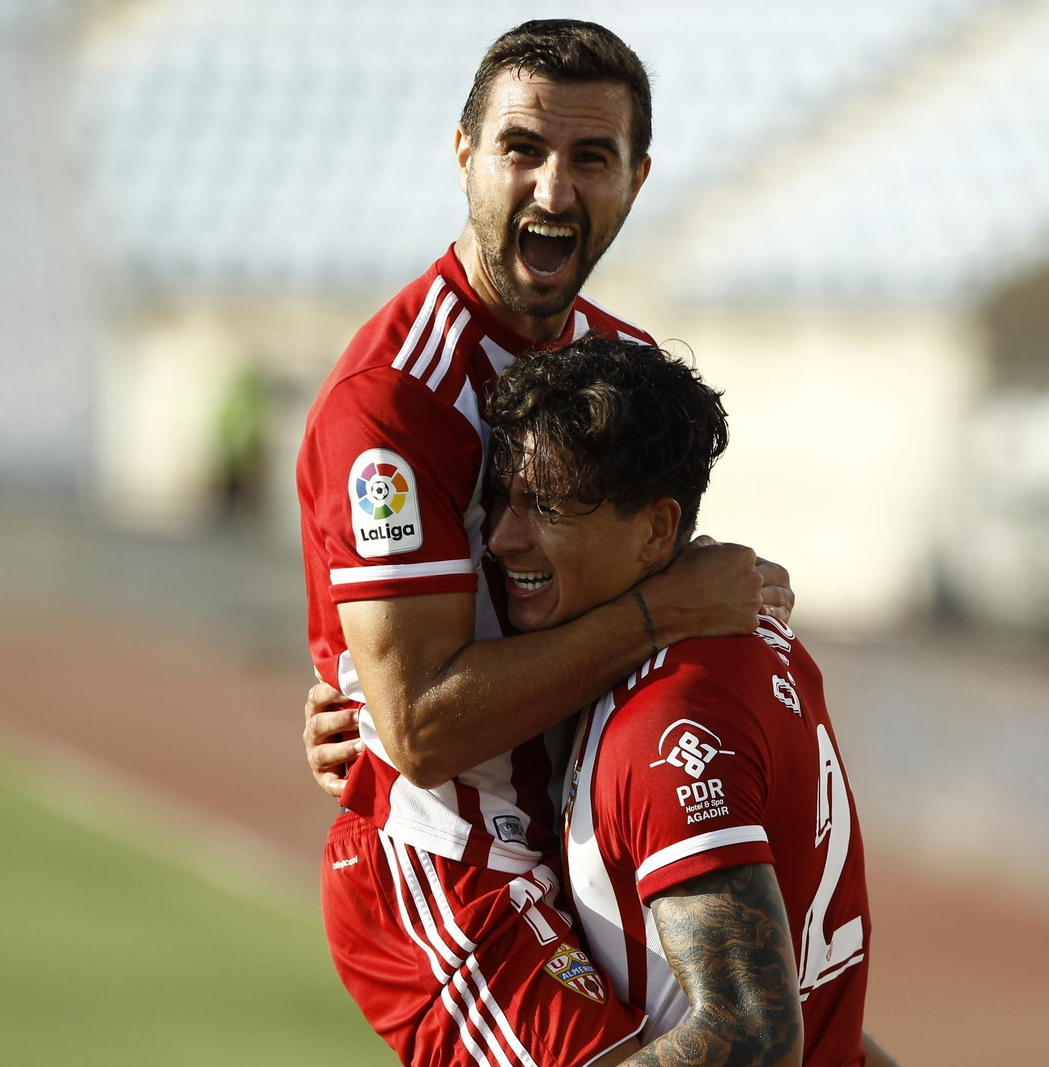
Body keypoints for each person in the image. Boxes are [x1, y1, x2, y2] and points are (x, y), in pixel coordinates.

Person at [298, 19, 790, 1067]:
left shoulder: (625, 365)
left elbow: (675, 587)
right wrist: (664, 612)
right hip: (457, 871)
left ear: (637, 180)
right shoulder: (391, 401)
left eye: (591, 158)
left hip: (595, 838)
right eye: (522, 148)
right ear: (465, 152)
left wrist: (719, 595)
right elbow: (422, 727)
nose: (554, 190)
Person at [484, 336, 891, 1066]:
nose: (502, 538)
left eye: (545, 505)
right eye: (503, 500)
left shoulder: (670, 722)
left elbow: (754, 1037)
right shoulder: (760, 639)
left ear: (658, 530)